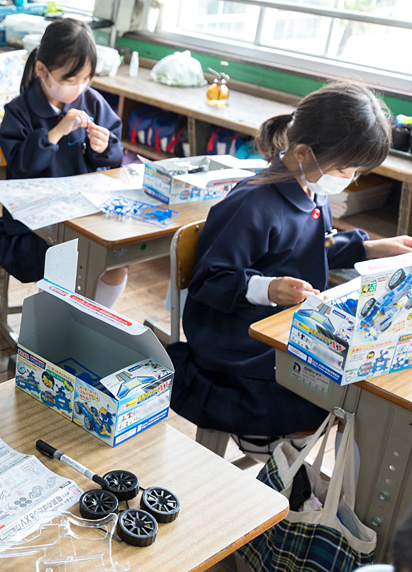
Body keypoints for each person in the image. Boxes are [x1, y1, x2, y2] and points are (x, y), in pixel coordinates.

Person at [168, 81, 412, 452]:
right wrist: (267, 288)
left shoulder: (312, 187)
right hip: (239, 342)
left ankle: (296, 462)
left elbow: (315, 247)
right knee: (335, 393)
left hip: (281, 327)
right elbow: (210, 280)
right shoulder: (252, 204)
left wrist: (368, 247)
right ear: (302, 153)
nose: (351, 180)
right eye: (347, 170)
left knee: (358, 377)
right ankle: (277, 457)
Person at [0, 18, 126, 306]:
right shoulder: (19, 111)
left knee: (115, 263)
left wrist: (103, 146)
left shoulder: (93, 102)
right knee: (63, 266)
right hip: (32, 226)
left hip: (84, 215)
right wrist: (56, 132)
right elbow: (21, 165)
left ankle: (92, 320)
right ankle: (61, 323)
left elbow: (115, 157)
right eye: (69, 80)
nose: (79, 88)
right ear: (42, 70)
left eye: (86, 79)